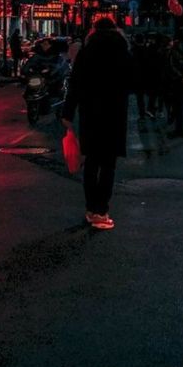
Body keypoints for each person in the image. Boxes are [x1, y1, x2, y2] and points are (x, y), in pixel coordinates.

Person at [61, 17, 134, 230]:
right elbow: (133, 81)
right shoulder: (123, 52)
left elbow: (74, 84)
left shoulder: (87, 52)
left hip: (90, 113)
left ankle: (91, 208)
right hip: (115, 113)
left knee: (92, 161)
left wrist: (67, 112)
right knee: (109, 163)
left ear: (94, 30)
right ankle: (103, 209)